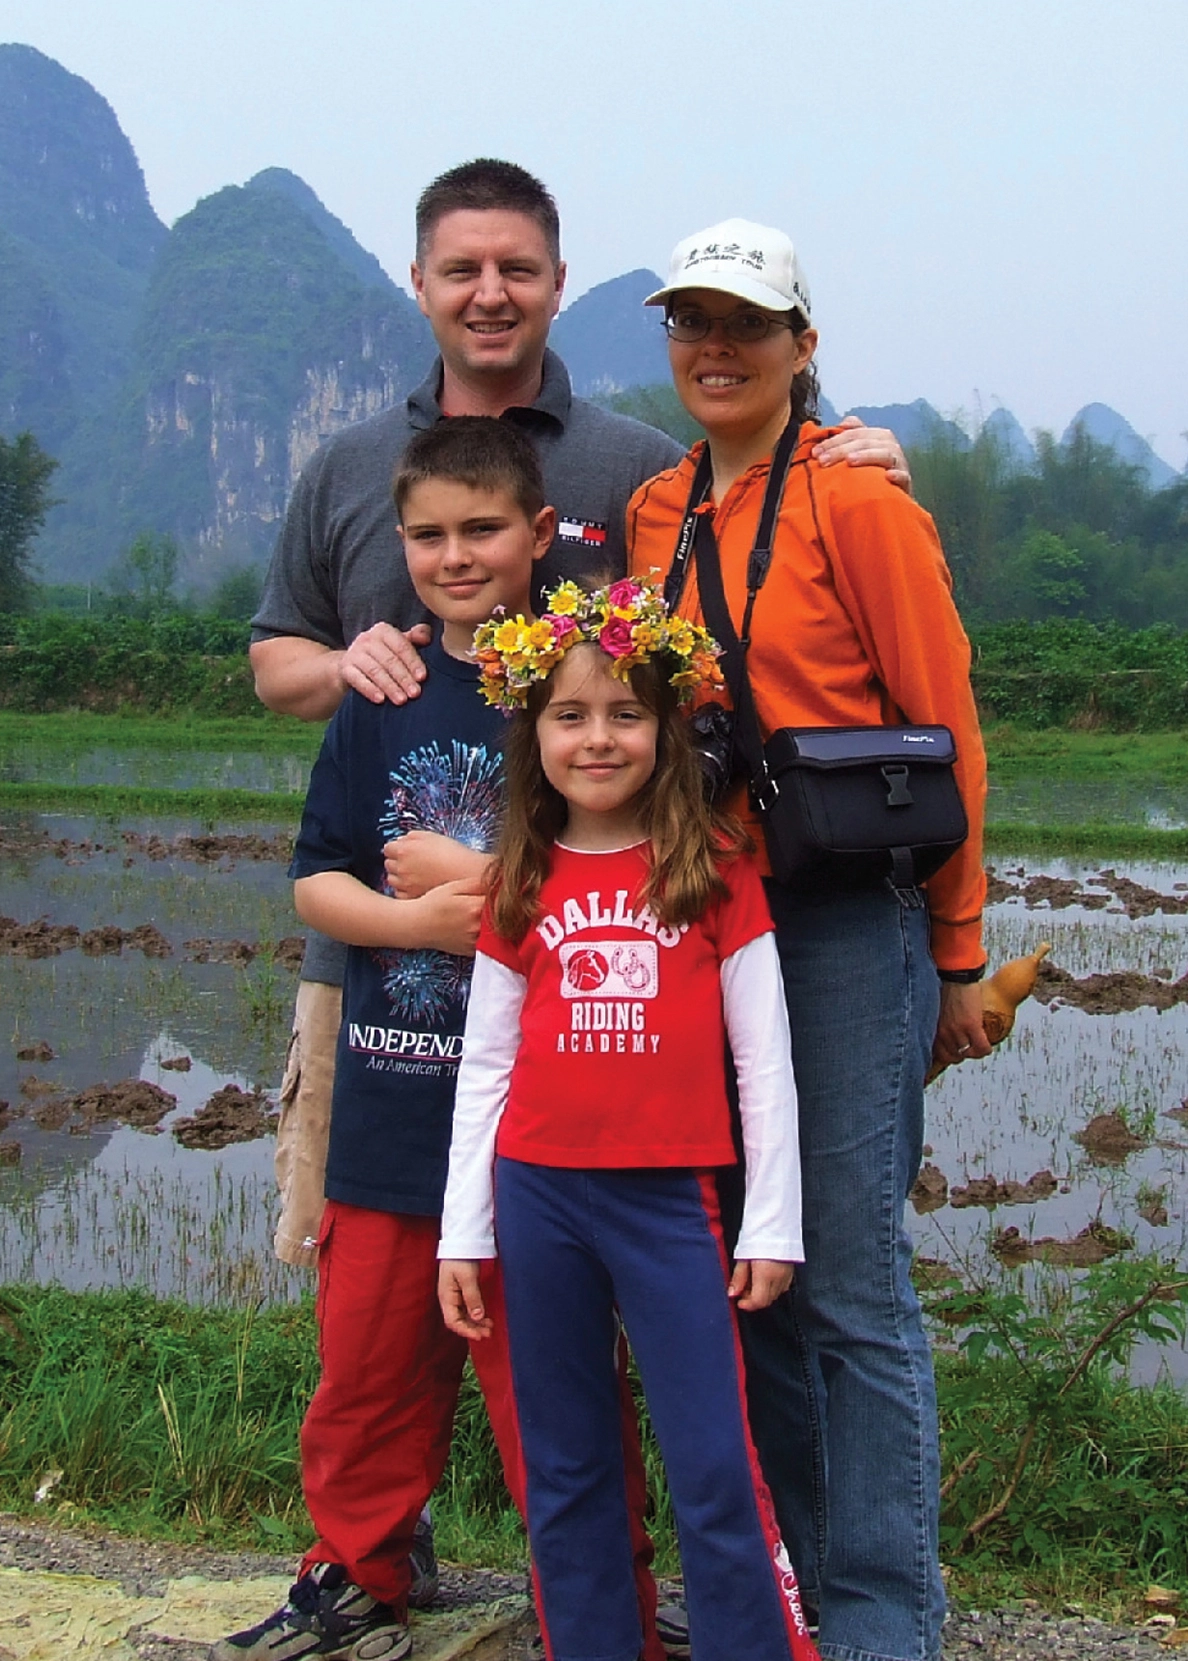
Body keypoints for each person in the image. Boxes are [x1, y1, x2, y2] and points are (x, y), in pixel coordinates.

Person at [249, 159, 908, 1277]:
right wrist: (342, 666)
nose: (489, 292)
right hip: (384, 949)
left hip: (587, 959)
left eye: (517, 268)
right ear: (418, 283)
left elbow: (759, 512)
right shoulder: (349, 466)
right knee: (369, 1265)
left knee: (568, 1264)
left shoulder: (639, 470)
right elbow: (275, 658)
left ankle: (556, 1454)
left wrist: (855, 450)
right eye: (462, 269)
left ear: (562, 283)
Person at [214, 420, 654, 1661]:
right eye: (429, 535)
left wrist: (489, 905)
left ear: (540, 538)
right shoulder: (382, 691)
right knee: (363, 1364)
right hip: (395, 1101)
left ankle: (598, 1589)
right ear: (399, 545)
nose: (456, 555)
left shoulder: (579, 695)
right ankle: (359, 1566)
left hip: (536, 1121)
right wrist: (415, 917)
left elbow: (628, 881)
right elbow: (316, 883)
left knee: (556, 1378)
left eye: (482, 530)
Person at [627, 219, 989, 1661]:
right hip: (716, 931)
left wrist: (956, 955)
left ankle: (888, 1619)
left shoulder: (857, 497)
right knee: (755, 1267)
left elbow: (949, 729)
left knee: (846, 1274)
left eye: (747, 324)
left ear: (803, 345)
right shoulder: (654, 511)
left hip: (845, 923)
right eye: (690, 323)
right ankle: (800, 1600)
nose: (716, 349)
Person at [436, 577, 817, 1661]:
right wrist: (466, 1228)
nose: (597, 738)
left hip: (669, 1201)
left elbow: (765, 1059)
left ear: (666, 724)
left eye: (624, 713)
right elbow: (487, 1063)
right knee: (564, 1465)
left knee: (712, 1462)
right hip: (537, 1194)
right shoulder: (520, 874)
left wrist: (771, 1221)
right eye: (569, 713)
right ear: (532, 729)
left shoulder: (719, 870)